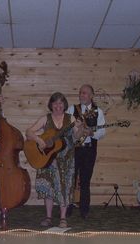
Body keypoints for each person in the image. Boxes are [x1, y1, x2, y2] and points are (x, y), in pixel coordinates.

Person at [26, 92, 82, 228]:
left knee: (66, 188)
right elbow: (28, 132)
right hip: (48, 160)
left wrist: (79, 128)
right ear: (51, 105)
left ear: (64, 105)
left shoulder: (72, 119)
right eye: (55, 103)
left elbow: (77, 138)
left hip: (66, 160)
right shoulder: (45, 118)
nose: (58, 105)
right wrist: (39, 140)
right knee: (48, 188)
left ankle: (63, 218)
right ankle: (48, 217)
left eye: (61, 103)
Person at [66, 84, 105, 219]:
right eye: (80, 93)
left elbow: (102, 132)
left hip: (89, 151)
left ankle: (84, 210)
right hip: (74, 150)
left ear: (91, 96)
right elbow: (67, 128)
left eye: (85, 93)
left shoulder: (98, 111)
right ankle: (67, 209)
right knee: (70, 179)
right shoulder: (72, 109)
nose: (82, 95)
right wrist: (76, 130)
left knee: (85, 180)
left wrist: (91, 133)